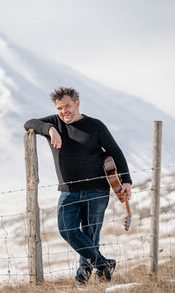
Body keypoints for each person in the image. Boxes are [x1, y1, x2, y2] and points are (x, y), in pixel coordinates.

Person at [24, 87, 132, 284]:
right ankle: (103, 264)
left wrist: (126, 180)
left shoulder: (95, 126)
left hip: (97, 190)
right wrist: (49, 129)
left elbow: (115, 151)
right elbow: (29, 123)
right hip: (68, 192)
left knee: (90, 236)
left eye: (67, 106)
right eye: (59, 108)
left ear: (77, 104)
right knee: (67, 230)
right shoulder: (54, 123)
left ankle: (81, 278)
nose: (64, 111)